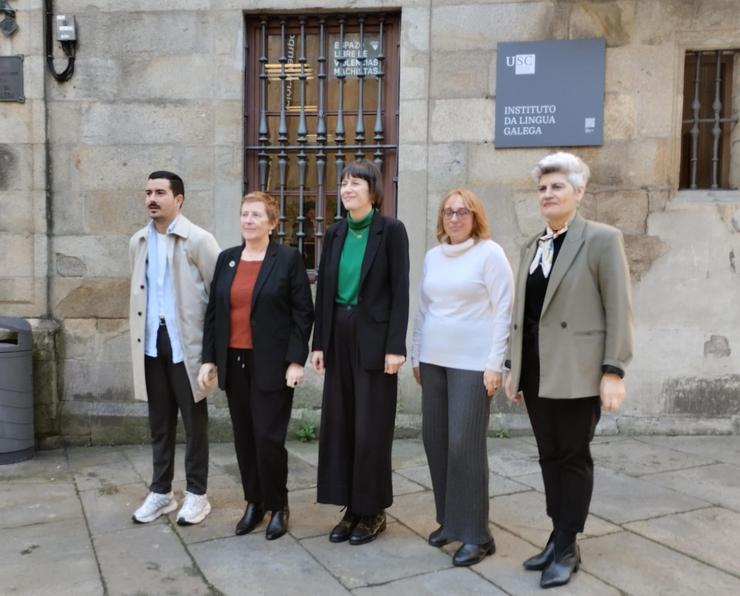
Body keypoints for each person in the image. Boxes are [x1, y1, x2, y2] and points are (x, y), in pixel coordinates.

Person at [504, 152, 633, 589]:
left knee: (573, 457)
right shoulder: (529, 246)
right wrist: (512, 368)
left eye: (557, 186)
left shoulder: (601, 239)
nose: (547, 194)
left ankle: (566, 546)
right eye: (542, 188)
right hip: (538, 372)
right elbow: (522, 315)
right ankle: (558, 537)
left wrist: (613, 370)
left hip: (577, 371)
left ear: (578, 192)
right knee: (548, 456)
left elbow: (619, 309)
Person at [198, 191, 313, 540]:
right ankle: (254, 502)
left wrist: (296, 360)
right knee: (244, 438)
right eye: (244, 214)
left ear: (272, 223)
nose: (248, 220)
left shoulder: (288, 259)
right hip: (234, 363)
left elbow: (302, 313)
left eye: (256, 215)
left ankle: (278, 505)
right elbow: (214, 313)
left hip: (272, 365)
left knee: (268, 438)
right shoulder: (227, 259)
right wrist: (209, 359)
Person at [411, 189, 514, 566]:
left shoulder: (490, 254)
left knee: (463, 444)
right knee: (435, 440)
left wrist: (495, 364)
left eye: (462, 212)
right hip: (433, 361)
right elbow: (423, 310)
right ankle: (450, 522)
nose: (454, 218)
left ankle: (477, 534)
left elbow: (504, 310)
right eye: (448, 212)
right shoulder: (433, 257)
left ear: (475, 218)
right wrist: (416, 354)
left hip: (473, 364)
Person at [311, 159, 410, 545]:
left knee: (371, 427)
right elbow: (324, 295)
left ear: (373, 190)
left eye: (356, 183)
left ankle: (372, 512)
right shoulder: (334, 233)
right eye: (345, 183)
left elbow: (400, 291)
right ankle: (350, 506)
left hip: (375, 341)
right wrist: (319, 343)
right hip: (339, 336)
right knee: (341, 425)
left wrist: (395, 347)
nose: (348, 189)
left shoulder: (391, 231)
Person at [129, 171, 220, 525]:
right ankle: (161, 492)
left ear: (178, 199)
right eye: (148, 192)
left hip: (187, 346)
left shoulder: (198, 240)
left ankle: (197, 494)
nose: (152, 198)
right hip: (152, 342)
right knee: (159, 422)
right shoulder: (138, 241)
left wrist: (211, 354)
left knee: (194, 422)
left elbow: (218, 298)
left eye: (160, 192)